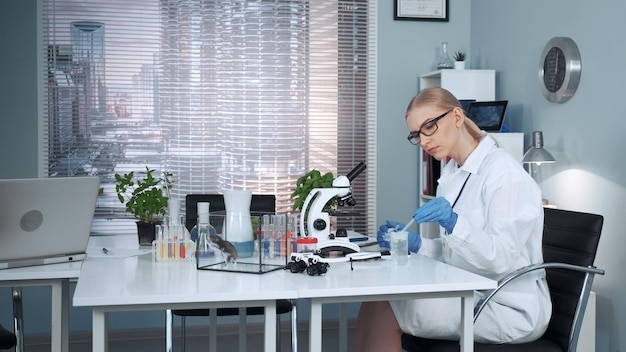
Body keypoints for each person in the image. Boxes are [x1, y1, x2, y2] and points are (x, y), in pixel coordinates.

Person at [352, 87, 551, 351]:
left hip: (507, 305)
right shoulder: (451, 175)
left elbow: (500, 259)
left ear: (457, 116)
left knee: (387, 306)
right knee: (377, 299)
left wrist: (454, 223)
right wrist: (418, 245)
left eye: (429, 126)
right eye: (416, 134)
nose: (423, 140)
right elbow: (455, 255)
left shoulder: (504, 173)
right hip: (473, 290)